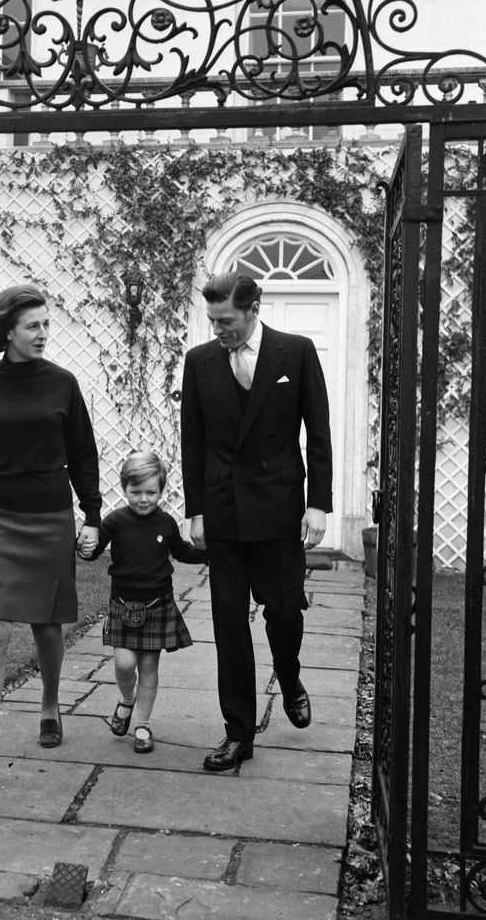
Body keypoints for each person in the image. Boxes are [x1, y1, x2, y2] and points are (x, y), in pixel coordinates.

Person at [0, 285, 101, 791]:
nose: (43, 334)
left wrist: (92, 515)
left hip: (50, 515)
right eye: (33, 326)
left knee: (47, 626)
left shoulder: (63, 385)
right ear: (8, 330)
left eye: (47, 324)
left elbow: (84, 453)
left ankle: (49, 702)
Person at [180, 271, 332, 772]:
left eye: (225, 320)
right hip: (223, 511)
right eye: (212, 320)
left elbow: (319, 433)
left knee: (285, 612)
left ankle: (289, 677)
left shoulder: (297, 351)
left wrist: (318, 503)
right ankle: (239, 732)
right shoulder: (199, 362)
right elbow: (193, 441)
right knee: (228, 624)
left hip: (280, 507)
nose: (218, 329)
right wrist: (195, 510)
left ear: (253, 308)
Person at [79, 450, 205, 754]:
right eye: (136, 492)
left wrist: (209, 553)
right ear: (125, 489)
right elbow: (94, 552)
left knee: (149, 666)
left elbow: (182, 551)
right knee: (124, 663)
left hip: (157, 604)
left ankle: (143, 725)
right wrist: (83, 545)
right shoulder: (115, 521)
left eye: (152, 492)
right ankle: (126, 699)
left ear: (161, 490)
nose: (144, 499)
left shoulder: (166, 523)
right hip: (123, 605)